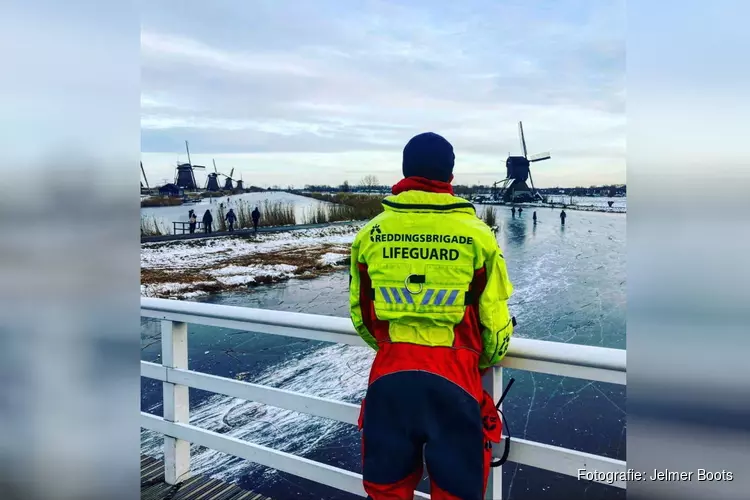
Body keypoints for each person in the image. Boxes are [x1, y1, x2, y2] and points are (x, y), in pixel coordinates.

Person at [349, 132, 515, 500]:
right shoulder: (477, 235)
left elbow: (361, 314)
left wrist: (393, 346)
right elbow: (495, 323)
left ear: (405, 170)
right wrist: (479, 361)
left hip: (389, 377)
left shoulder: (371, 233)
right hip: (456, 379)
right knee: (457, 492)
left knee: (385, 489)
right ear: (449, 175)